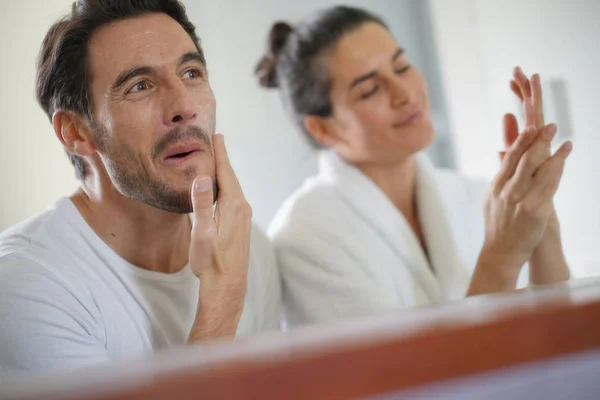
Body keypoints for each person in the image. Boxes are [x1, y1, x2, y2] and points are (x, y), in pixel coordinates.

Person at [0, 0, 281, 375]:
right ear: (76, 132)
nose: (183, 106)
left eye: (192, 73)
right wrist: (222, 304)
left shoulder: (248, 248)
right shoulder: (26, 285)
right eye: (140, 86)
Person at [258, 6, 572, 327]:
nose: (405, 94)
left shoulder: (473, 196)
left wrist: (541, 222)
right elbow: (399, 375)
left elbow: (562, 335)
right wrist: (502, 256)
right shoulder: (306, 239)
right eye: (370, 90)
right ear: (323, 129)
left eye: (402, 67)